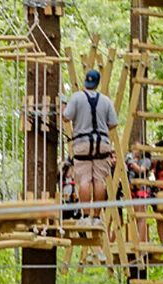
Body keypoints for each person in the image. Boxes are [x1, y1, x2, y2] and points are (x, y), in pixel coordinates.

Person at [62, 69, 119, 225]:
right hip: (102, 143)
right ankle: (97, 216)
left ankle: (86, 216)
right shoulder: (106, 101)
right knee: (99, 180)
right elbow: (113, 123)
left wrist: (62, 107)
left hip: (82, 143)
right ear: (97, 83)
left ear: (85, 82)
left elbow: (66, 117)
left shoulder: (76, 98)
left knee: (85, 180)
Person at [126, 144, 153, 244]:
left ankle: (141, 241)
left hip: (142, 189)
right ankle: (133, 239)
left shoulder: (146, 160)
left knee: (141, 217)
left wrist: (133, 163)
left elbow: (141, 170)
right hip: (133, 190)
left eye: (136, 148)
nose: (134, 150)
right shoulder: (130, 159)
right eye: (133, 148)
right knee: (134, 215)